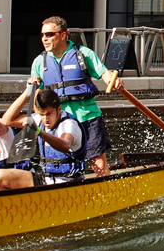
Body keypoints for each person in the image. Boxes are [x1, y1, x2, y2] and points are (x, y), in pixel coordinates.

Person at [31, 16, 120, 175]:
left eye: (50, 34)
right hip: (61, 122)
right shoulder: (39, 62)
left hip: (88, 117)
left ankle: (106, 194)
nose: (45, 38)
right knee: (63, 164)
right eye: (43, 35)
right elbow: (36, 103)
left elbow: (105, 74)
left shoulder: (83, 54)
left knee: (98, 164)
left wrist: (114, 81)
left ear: (63, 35)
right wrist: (31, 89)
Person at [0, 77, 85, 185]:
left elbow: (65, 145)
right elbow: (6, 121)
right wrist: (28, 92)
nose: (45, 119)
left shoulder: (68, 124)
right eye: (42, 114)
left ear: (59, 109)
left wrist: (39, 131)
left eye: (49, 114)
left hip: (69, 183)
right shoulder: (38, 119)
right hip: (45, 181)